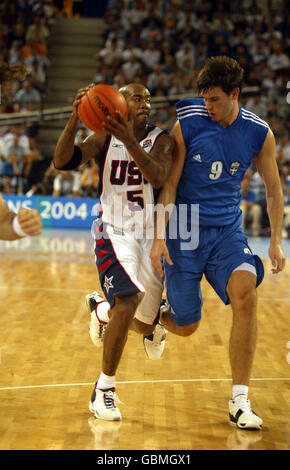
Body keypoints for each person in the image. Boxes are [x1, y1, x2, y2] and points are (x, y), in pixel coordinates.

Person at [151, 56, 286, 430]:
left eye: (214, 99)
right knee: (188, 324)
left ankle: (240, 399)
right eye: (205, 99)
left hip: (227, 228)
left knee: (247, 294)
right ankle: (151, 320)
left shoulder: (259, 133)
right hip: (186, 229)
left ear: (235, 94)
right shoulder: (189, 124)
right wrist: (160, 238)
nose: (207, 106)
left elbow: (274, 191)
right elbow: (171, 185)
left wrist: (275, 242)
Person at [53, 82, 175, 421]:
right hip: (112, 232)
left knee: (140, 322)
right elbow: (63, 161)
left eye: (149, 98)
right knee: (129, 298)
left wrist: (130, 139)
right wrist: (74, 118)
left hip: (150, 238)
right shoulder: (104, 138)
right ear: (120, 102)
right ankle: (103, 389)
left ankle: (100, 310)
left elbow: (158, 174)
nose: (146, 103)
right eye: (137, 97)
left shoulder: (162, 140)